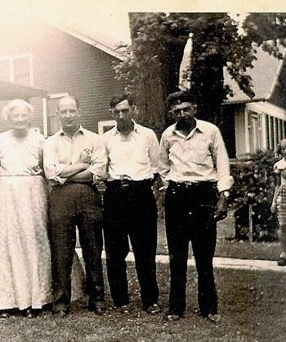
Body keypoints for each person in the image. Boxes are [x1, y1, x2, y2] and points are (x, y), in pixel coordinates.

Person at [159, 91, 233, 323]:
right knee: (177, 256)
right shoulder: (168, 135)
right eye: (177, 111)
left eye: (186, 109)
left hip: (203, 195)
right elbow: (162, 166)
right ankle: (175, 308)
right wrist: (168, 189)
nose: (182, 115)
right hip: (177, 197)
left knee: (204, 256)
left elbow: (222, 165)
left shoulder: (210, 132)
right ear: (171, 114)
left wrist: (223, 196)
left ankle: (209, 308)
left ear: (195, 108)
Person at [0, 99, 52, 318]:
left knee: (34, 241)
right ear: (9, 117)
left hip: (33, 193)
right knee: (8, 243)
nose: (20, 119)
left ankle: (37, 299)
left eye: (23, 115)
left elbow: (46, 170)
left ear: (29, 117)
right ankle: (8, 301)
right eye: (15, 115)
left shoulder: (40, 140)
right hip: (7, 195)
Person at [43, 96, 106, 317]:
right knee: (61, 250)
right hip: (60, 199)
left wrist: (66, 173)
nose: (68, 115)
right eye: (64, 111)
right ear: (57, 114)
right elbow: (51, 173)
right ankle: (60, 302)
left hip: (88, 196)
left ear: (79, 111)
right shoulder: (50, 142)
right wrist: (81, 164)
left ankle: (96, 298)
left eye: (72, 111)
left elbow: (99, 171)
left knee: (93, 248)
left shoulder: (95, 139)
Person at [99, 94, 161, 315]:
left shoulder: (147, 136)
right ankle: (120, 300)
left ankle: (150, 300)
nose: (121, 115)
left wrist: (140, 187)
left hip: (141, 194)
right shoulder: (105, 139)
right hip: (115, 195)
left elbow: (156, 167)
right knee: (115, 252)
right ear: (111, 113)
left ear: (133, 109)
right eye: (117, 111)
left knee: (145, 251)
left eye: (125, 110)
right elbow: (102, 169)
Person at [271, 138, 286, 266]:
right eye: (283, 149)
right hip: (283, 198)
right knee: (283, 226)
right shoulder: (278, 165)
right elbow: (277, 185)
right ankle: (283, 254)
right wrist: (274, 201)